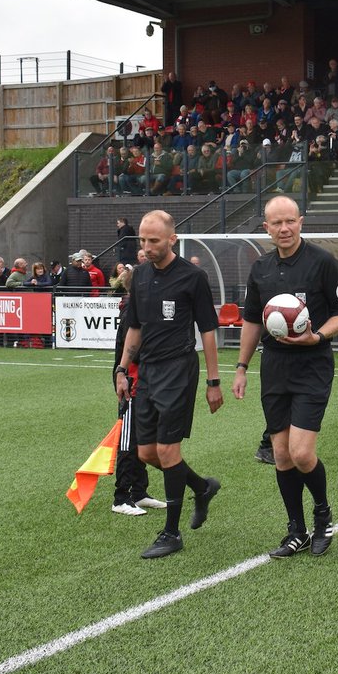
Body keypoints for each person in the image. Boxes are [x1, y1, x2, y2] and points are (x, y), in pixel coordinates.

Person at [233, 196, 338, 559]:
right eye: (276, 223)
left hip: (313, 364)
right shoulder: (261, 268)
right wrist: (241, 366)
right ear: (266, 227)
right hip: (275, 368)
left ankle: (323, 514)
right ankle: (296, 530)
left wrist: (317, 336)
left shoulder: (322, 262)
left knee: (301, 453)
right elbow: (252, 321)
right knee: (281, 455)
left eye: (290, 221)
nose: (284, 229)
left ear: (300, 221)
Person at [115, 210, 223, 559]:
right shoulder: (140, 276)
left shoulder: (193, 277)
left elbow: (208, 330)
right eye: (142, 241)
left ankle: (172, 533)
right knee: (146, 453)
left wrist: (213, 381)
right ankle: (201, 487)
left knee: (166, 451)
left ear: (171, 239)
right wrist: (122, 368)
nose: (146, 248)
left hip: (179, 369)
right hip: (147, 371)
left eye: (154, 241)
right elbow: (135, 327)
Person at [110, 266, 167, 517]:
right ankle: (120, 496)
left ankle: (139, 492)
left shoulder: (139, 309)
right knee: (128, 442)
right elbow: (131, 351)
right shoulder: (130, 313)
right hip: (132, 383)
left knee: (142, 439)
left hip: (144, 382)